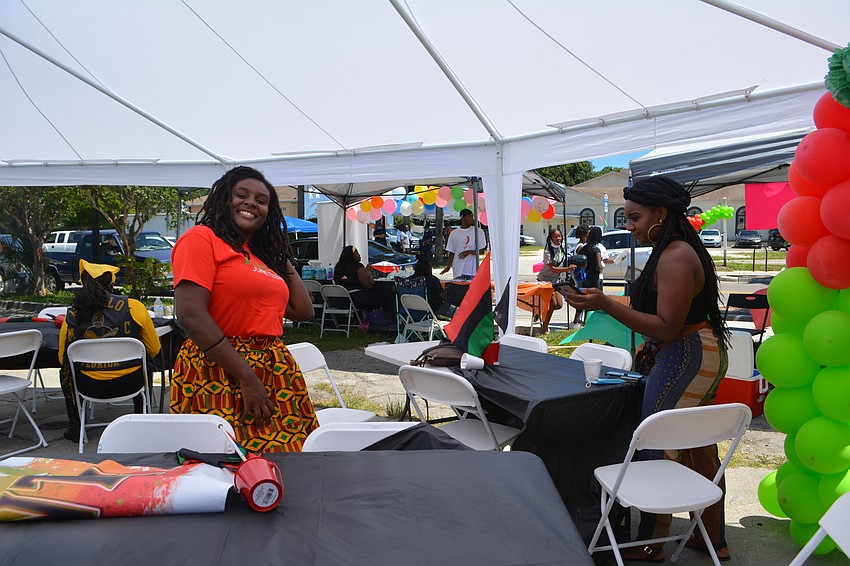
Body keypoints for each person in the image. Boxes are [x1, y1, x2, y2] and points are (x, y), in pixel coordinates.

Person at [565, 175, 730, 562]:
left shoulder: (674, 254)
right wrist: (606, 300)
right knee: (695, 445)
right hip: (693, 351)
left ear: (661, 213)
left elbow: (667, 326)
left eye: (635, 217)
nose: (630, 225)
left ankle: (651, 542)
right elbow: (659, 314)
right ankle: (711, 537)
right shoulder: (674, 250)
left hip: (687, 353)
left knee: (656, 442)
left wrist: (606, 304)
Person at [170, 166, 317, 453]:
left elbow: (302, 310)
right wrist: (247, 378)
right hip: (218, 370)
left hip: (271, 370)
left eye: (262, 201)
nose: (252, 202)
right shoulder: (201, 238)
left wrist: (278, 252)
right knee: (228, 465)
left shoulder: (256, 256)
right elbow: (190, 313)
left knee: (292, 459)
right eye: (242, 195)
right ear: (224, 198)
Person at [58, 259, 161, 441]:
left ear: (83, 284)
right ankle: (143, 419)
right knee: (146, 363)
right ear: (112, 284)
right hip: (131, 382)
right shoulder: (134, 307)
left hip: (88, 385)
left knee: (65, 372)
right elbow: (154, 348)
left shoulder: (72, 315)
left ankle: (76, 428)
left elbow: (62, 358)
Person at [536, 228, 575, 333]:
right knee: (553, 303)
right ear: (550, 238)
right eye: (555, 236)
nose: (558, 238)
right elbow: (552, 268)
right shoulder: (547, 251)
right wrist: (567, 268)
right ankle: (544, 327)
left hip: (555, 280)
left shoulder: (562, 249)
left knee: (559, 305)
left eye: (559, 236)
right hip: (545, 280)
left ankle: (539, 311)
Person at [333, 245, 390, 311]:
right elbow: (369, 284)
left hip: (339, 300)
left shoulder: (338, 267)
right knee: (384, 297)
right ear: (351, 256)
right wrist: (368, 271)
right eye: (356, 253)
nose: (359, 255)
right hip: (355, 299)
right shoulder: (358, 267)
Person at [440, 209, 487, 279]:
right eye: (469, 216)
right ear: (462, 217)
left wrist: (469, 252)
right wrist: (448, 266)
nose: (472, 218)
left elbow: (481, 251)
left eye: (472, 216)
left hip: (472, 271)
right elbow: (452, 252)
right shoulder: (454, 233)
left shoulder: (478, 231)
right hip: (458, 270)